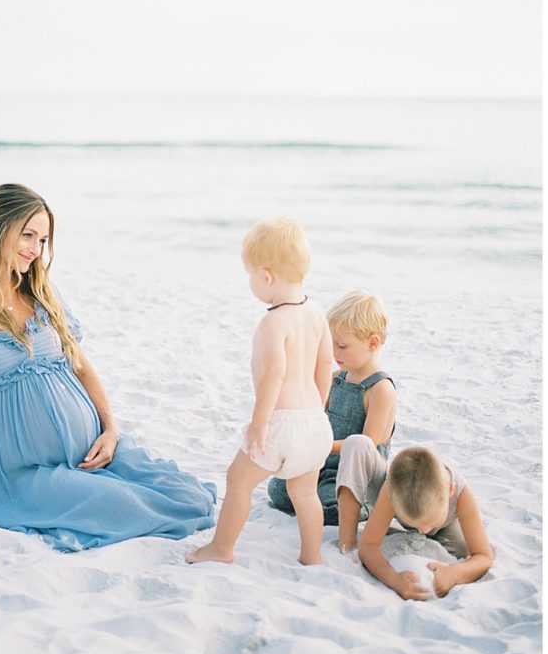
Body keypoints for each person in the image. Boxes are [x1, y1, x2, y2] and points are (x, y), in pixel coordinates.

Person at [0, 183, 216, 552]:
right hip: (19, 475)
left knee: (187, 497)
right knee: (130, 508)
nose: (36, 250)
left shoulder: (39, 292)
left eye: (44, 240)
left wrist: (111, 431)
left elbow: (80, 367)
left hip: (90, 454)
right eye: (28, 235)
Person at [186, 218, 333, 566]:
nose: (249, 281)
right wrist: (319, 410)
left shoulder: (273, 322)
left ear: (266, 277)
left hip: (280, 423)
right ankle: (311, 556)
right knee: (305, 492)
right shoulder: (316, 312)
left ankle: (221, 549)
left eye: (249, 274)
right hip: (314, 423)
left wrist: (259, 424)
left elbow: (273, 376)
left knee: (237, 480)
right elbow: (326, 364)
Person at [268, 290, 396, 551]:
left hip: (352, 475)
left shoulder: (380, 389)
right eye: (330, 343)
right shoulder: (337, 377)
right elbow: (315, 414)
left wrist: (322, 445)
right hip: (323, 461)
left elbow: (366, 445)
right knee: (279, 490)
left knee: (329, 504)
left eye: (342, 346)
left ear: (372, 343)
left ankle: (359, 508)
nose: (333, 351)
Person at [358, 446, 493, 599]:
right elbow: (367, 545)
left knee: (460, 549)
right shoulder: (392, 489)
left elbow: (483, 556)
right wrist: (393, 579)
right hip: (412, 512)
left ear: (450, 490)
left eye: (431, 521)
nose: (423, 531)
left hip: (447, 525)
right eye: (417, 525)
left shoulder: (461, 493)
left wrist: (455, 573)